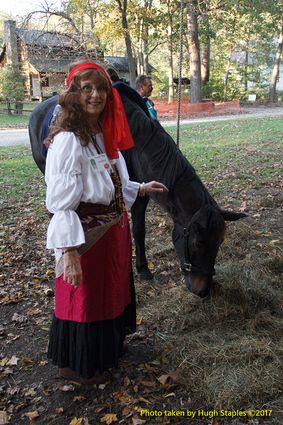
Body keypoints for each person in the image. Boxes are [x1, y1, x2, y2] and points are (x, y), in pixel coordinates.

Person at [44, 61, 168, 385]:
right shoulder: (69, 140)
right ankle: (79, 366)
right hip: (86, 238)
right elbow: (61, 203)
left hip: (110, 235)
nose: (96, 95)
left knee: (105, 296)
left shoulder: (98, 132)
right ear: (74, 94)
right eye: (87, 88)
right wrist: (68, 252)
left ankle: (104, 354)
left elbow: (105, 180)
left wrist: (140, 188)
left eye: (101, 88)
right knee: (85, 301)